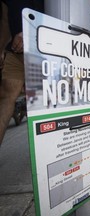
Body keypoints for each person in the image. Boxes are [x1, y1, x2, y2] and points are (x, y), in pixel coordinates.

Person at [0, 0, 43, 146]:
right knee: (5, 97)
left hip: (43, 49)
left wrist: (31, 32)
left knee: (44, 101)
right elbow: (6, 22)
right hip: (15, 50)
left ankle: (53, 155)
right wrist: (1, 49)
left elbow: (57, 10)